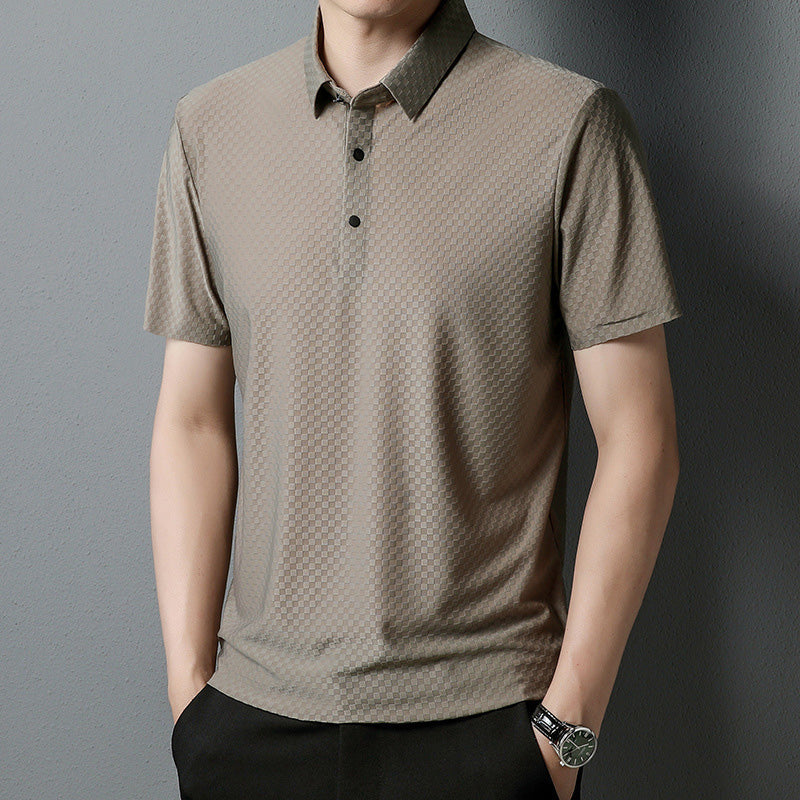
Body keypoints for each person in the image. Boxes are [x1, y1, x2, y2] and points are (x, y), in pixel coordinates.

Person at [143, 0, 682, 798]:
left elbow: (642, 439)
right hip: (251, 726)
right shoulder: (210, 128)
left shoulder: (570, 125)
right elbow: (191, 422)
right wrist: (190, 697)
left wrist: (564, 732)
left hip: (485, 728)